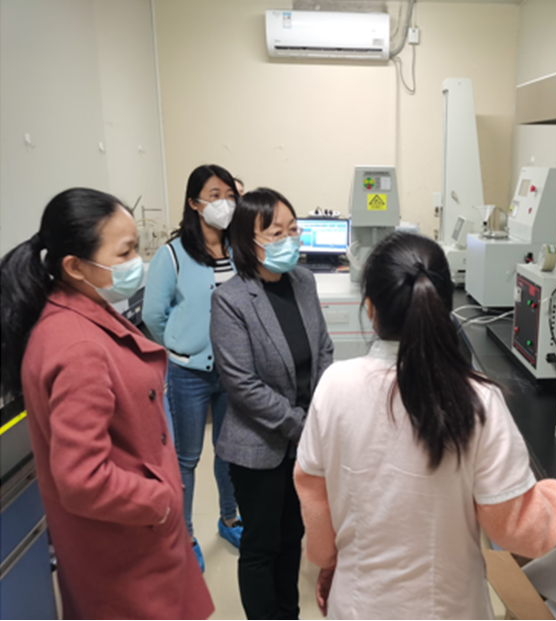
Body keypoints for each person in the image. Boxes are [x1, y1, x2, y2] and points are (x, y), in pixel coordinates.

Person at [294, 231, 556, 619]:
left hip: (359, 604)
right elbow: (516, 528)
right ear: (443, 306)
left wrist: (328, 561)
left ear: (370, 309)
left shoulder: (334, 386)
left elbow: (314, 496)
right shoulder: (479, 399)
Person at [0, 188, 213, 619]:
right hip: (125, 553)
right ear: (75, 266)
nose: (138, 262)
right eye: (126, 251)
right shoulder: (77, 346)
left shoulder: (80, 309)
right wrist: (161, 502)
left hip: (127, 541)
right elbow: (82, 478)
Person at [210, 188, 334, 620]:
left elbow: (323, 349)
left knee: (292, 536)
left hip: (304, 444)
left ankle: (288, 613)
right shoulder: (230, 300)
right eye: (276, 232)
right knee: (262, 546)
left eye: (293, 229)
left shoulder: (303, 281)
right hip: (258, 446)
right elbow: (242, 385)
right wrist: (303, 425)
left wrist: (319, 414)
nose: (289, 240)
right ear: (249, 241)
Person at [142, 164, 242, 570]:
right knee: (187, 458)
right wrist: (184, 343)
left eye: (230, 195)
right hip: (188, 373)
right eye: (215, 195)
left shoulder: (239, 249)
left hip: (234, 371)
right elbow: (154, 315)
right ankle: (186, 537)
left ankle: (230, 519)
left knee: (228, 452)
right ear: (195, 203)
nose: (225, 203)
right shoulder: (172, 254)